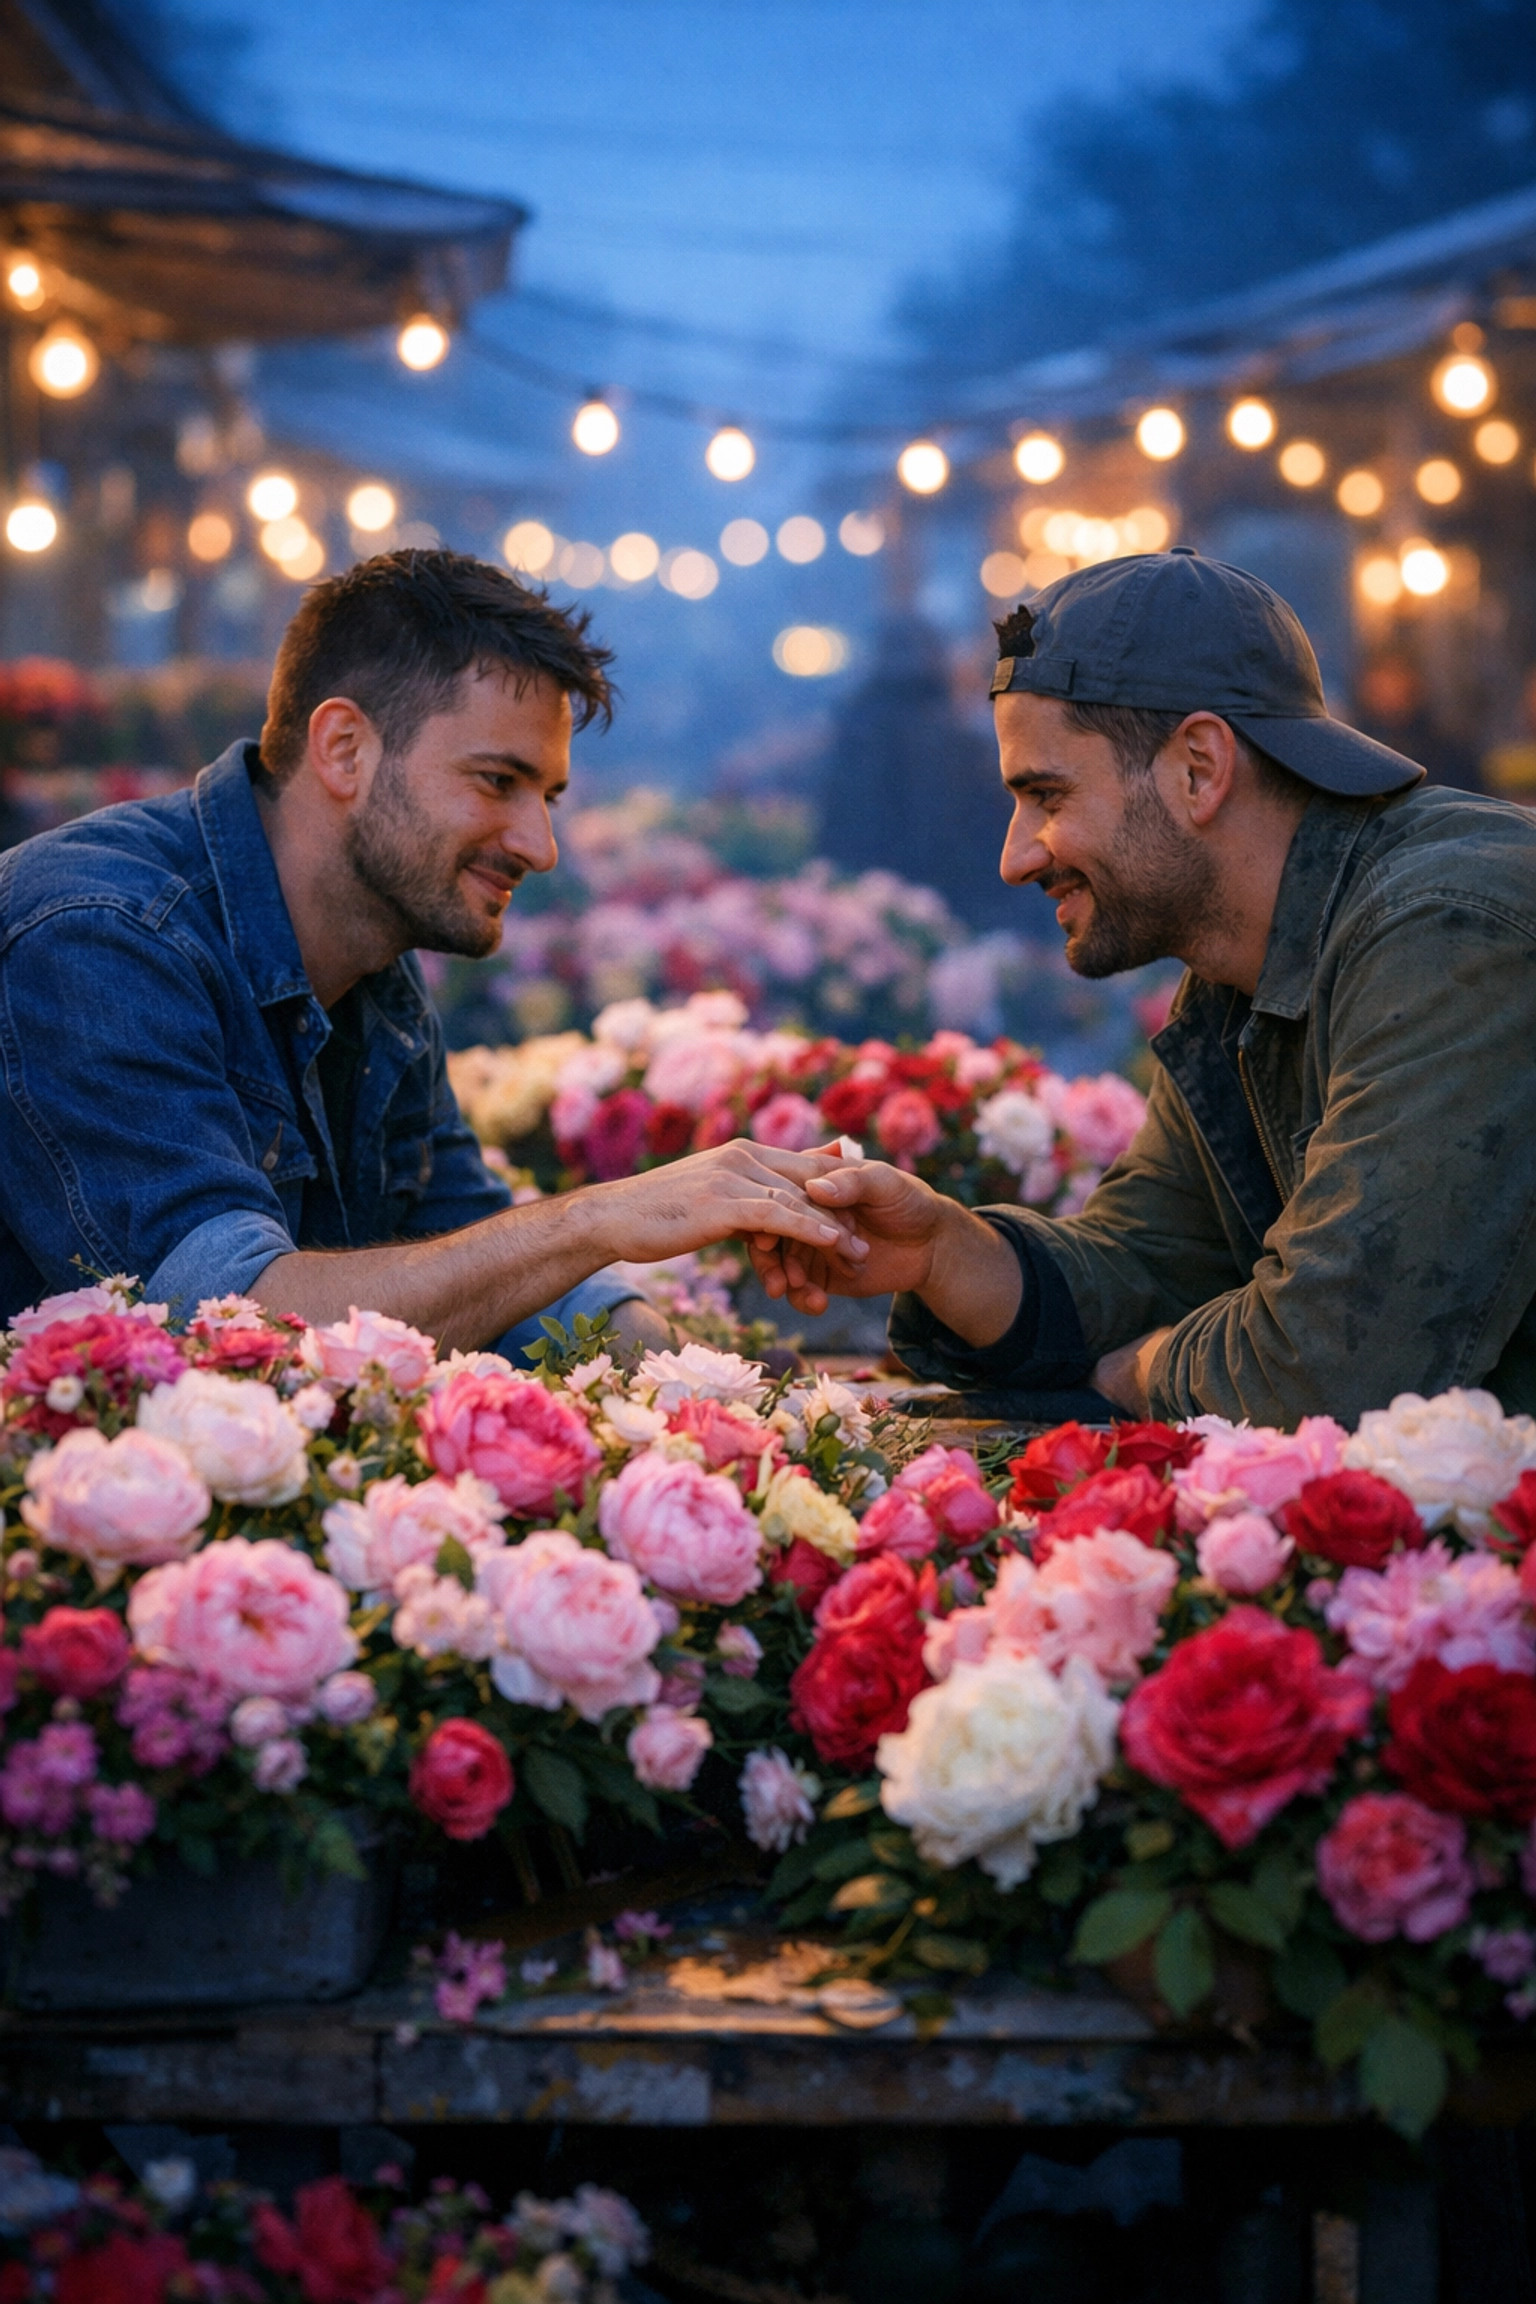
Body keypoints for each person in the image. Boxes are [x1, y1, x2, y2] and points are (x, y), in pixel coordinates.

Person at [748, 548, 1536, 1429]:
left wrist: (1142, 1372)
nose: (1015, 859)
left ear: (1199, 768)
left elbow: (1332, 1365)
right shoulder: (1243, 959)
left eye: (1047, 796)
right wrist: (943, 1251)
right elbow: (1151, 1261)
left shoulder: (1452, 927)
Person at [0, 551, 855, 1348]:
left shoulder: (373, 959)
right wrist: (593, 1221)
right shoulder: (100, 932)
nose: (540, 843)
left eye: (549, 794)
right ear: (345, 750)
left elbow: (481, 1261)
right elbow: (230, 1326)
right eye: (498, 781)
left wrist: (725, 1396)